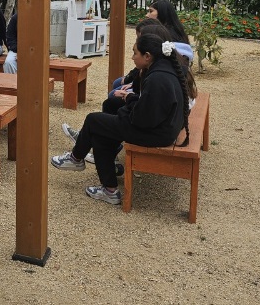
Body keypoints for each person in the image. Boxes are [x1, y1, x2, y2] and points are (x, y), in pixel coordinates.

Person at [51, 32, 191, 206]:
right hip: (163, 128)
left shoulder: (157, 78)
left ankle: (76, 158)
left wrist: (128, 103)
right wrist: (130, 99)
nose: (132, 58)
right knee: (101, 131)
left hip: (156, 133)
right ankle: (109, 190)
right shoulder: (163, 69)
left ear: (147, 56)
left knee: (94, 120)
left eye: (135, 53)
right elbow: (148, 109)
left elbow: (142, 118)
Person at [1, 9, 19, 75]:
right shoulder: (16, 17)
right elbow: (10, 37)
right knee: (9, 62)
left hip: (35, 51)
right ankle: (11, 84)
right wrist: (18, 50)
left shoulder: (40, 18)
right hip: (16, 49)